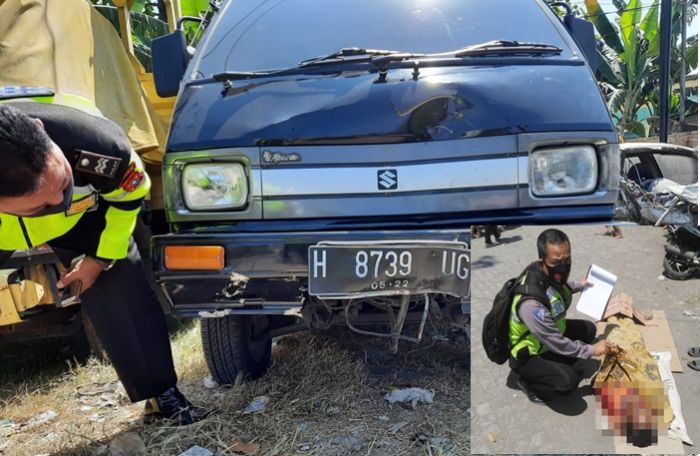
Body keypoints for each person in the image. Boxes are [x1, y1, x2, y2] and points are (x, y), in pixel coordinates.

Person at [0, 102, 200, 425]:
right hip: (5, 233)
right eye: (41, 204)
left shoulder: (96, 144)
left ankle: (162, 394)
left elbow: (131, 195)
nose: (57, 200)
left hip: (87, 216)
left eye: (63, 183)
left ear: (40, 131)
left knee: (123, 290)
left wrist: (99, 259)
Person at [506, 228, 612, 404]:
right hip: (529, 353)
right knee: (567, 382)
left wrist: (579, 285)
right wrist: (591, 350)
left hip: (547, 335)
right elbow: (555, 341)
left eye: (567, 259)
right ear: (542, 262)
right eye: (557, 262)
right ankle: (526, 381)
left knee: (589, 330)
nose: (564, 266)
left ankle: (558, 363)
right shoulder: (531, 305)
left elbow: (559, 286)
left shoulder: (546, 274)